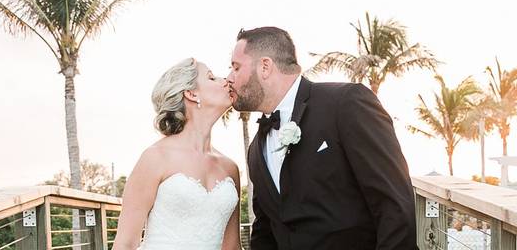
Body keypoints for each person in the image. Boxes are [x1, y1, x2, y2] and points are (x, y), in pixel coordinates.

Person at [227, 27, 417, 250]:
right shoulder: (256, 150)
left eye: (236, 67)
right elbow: (265, 231)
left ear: (265, 66)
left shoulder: (346, 103)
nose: (229, 77)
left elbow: (394, 205)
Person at [114, 58, 242, 250]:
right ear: (191, 93)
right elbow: (125, 244)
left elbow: (232, 247)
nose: (224, 80)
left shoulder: (230, 168)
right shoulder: (155, 158)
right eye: (211, 78)